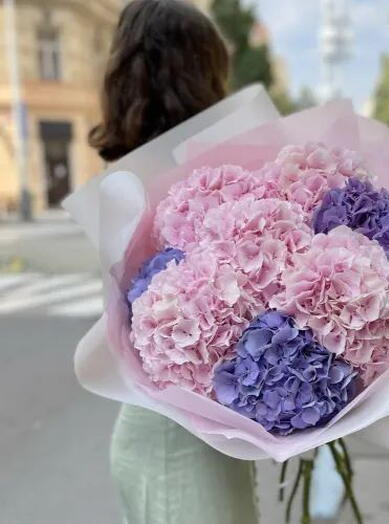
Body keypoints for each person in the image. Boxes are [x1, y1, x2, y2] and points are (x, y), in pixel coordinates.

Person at [88, 2, 258, 523]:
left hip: (185, 432)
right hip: (179, 445)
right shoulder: (170, 183)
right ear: (199, 73)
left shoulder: (132, 179)